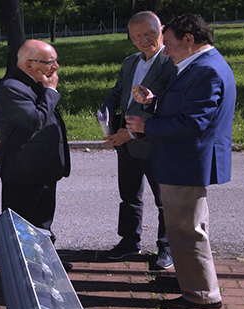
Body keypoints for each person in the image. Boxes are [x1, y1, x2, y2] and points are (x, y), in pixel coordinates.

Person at [126, 13, 236, 309]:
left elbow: (194, 122)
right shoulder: (198, 66)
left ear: (190, 40)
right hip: (184, 159)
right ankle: (189, 280)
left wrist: (146, 126)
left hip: (186, 160)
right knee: (185, 227)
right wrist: (154, 102)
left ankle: (201, 294)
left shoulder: (206, 70)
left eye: (170, 43)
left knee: (187, 229)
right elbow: (187, 107)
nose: (166, 49)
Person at [102, 11, 177, 270]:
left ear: (162, 30)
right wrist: (106, 112)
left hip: (154, 142)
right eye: (136, 36)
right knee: (129, 195)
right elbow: (116, 93)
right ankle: (129, 241)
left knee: (164, 198)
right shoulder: (130, 62)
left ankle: (167, 247)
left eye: (149, 34)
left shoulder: (172, 63)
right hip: (125, 141)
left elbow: (168, 106)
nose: (143, 40)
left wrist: (132, 132)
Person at [0, 39, 71, 241]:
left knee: (43, 224)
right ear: (30, 64)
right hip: (24, 172)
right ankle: (20, 268)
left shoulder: (35, 82)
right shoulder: (11, 87)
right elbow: (36, 120)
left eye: (56, 61)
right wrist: (51, 91)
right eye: (49, 62)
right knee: (21, 227)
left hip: (44, 167)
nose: (56, 67)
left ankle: (46, 264)